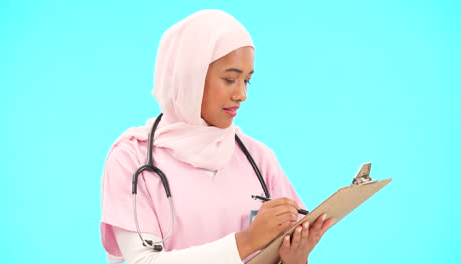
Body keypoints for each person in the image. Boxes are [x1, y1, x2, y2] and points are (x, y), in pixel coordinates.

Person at [101, 9, 334, 264]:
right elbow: (142, 261)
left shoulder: (257, 156)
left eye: (247, 81)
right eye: (230, 79)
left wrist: (295, 259)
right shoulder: (131, 158)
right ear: (189, 77)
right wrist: (247, 241)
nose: (241, 94)